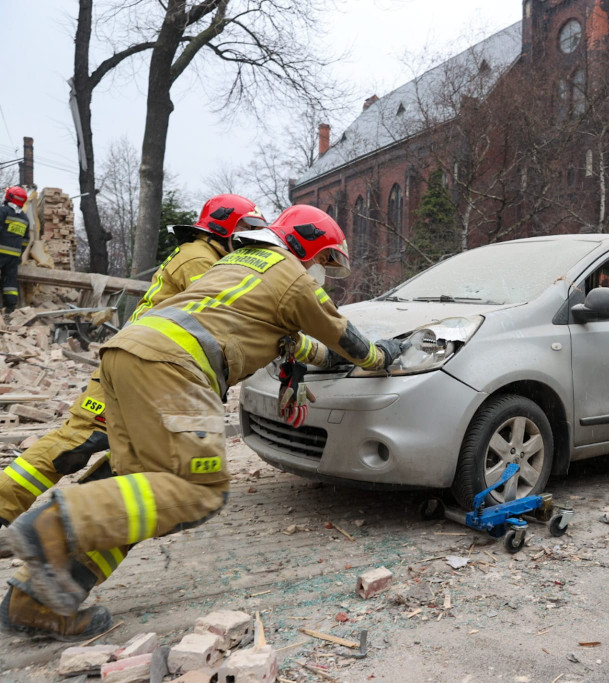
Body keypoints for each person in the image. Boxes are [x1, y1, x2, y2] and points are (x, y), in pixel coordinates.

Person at [2, 205, 403, 640]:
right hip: (175, 367)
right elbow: (343, 335)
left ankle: (35, 603)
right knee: (198, 490)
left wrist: (325, 362)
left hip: (128, 355)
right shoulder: (291, 276)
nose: (321, 271)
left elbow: (301, 343)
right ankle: (52, 527)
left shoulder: (235, 265)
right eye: (323, 260)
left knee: (139, 496)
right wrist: (383, 357)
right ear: (306, 245)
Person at [0, 194, 271, 638]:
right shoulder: (199, 258)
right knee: (65, 450)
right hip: (134, 380)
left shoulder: (201, 258)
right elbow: (233, 313)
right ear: (228, 231)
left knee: (130, 491)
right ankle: (27, 530)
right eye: (246, 235)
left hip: (142, 378)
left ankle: (37, 596)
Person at [0, 186, 30, 315]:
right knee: (10, 281)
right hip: (14, 256)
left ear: (9, 197)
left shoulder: (3, 211)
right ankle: (10, 307)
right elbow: (25, 240)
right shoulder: (25, 218)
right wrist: (18, 253)